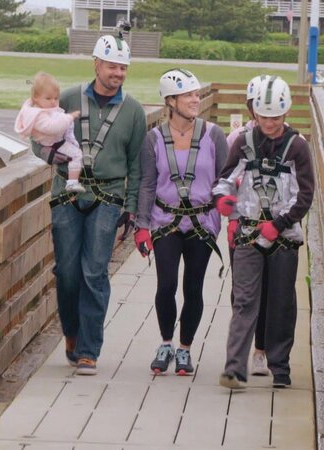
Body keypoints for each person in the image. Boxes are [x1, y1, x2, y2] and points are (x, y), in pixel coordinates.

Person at [48, 33, 147, 376]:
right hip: (67, 194)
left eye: (123, 67)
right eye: (111, 66)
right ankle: (72, 333)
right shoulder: (69, 98)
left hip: (107, 197)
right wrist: (53, 155)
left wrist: (132, 207)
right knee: (67, 272)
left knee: (94, 271)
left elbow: (136, 164)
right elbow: (39, 135)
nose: (117, 73)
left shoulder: (133, 111)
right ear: (96, 64)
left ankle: (89, 349)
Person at [214, 76, 315, 389]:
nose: (269, 122)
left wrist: (280, 224)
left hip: (283, 237)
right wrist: (222, 199)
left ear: (285, 114)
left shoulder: (298, 147)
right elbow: (226, 178)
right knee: (244, 301)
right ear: (254, 113)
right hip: (247, 232)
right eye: (263, 116)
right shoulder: (244, 142)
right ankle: (234, 369)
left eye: (275, 116)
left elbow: (306, 194)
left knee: (282, 302)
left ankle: (280, 368)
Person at [134, 69, 229, 376]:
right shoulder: (153, 139)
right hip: (165, 221)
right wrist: (142, 225)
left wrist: (228, 207)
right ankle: (165, 343)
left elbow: (224, 179)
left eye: (196, 93)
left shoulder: (213, 135)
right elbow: (147, 184)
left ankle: (185, 349)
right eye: (188, 95)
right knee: (167, 285)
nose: (195, 99)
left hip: (202, 221)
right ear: (170, 101)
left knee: (193, 287)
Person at [226, 74, 271, 377]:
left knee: (268, 291)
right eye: (258, 105)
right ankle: (238, 353)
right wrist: (229, 220)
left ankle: (261, 350)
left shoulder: (292, 141)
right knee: (242, 292)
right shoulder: (237, 139)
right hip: (242, 225)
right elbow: (226, 181)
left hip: (275, 228)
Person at [14, 71, 85, 193]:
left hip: (55, 142)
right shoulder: (37, 115)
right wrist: (69, 117)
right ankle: (72, 182)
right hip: (53, 145)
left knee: (76, 154)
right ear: (36, 98)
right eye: (48, 98)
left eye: (56, 98)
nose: (53, 102)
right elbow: (52, 127)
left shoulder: (43, 109)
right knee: (77, 155)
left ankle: (73, 180)